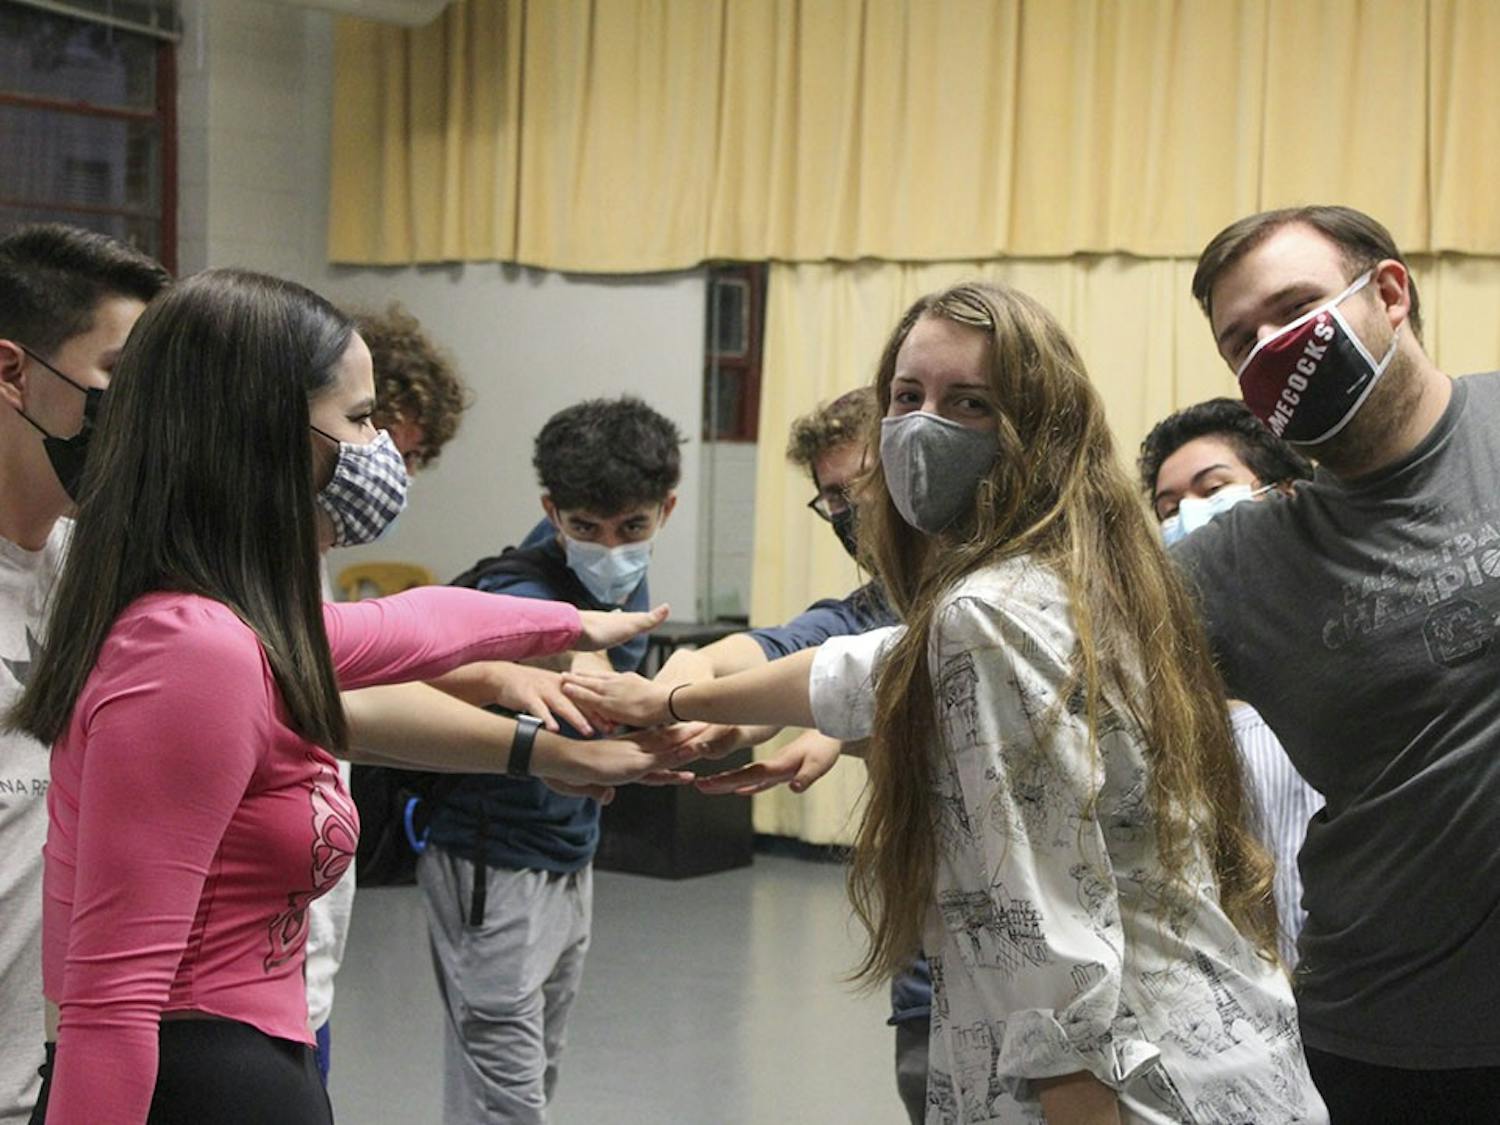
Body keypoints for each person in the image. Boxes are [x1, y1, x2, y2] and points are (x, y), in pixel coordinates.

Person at [565, 282, 1327, 1123]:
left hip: (1127, 1087)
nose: (922, 428)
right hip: (1228, 1059)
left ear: (1037, 431)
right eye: (906, 396)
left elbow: (1043, 942)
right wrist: (671, 698)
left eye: (968, 402)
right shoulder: (1083, 585)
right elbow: (856, 669)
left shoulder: (984, 613)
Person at [6, 269, 689, 1125]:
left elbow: (407, 626)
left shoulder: (234, 621)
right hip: (196, 1083)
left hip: (252, 1059)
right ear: (267, 431)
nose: (376, 447)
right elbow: (110, 1005)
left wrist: (576, 627)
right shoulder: (192, 647)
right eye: (360, 418)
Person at [1169, 205, 1500, 1122]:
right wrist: (781, 685)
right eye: (1241, 340)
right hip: (1394, 1046)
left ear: (1390, 293)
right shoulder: (1238, 562)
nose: (1272, 346)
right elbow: (1033, 638)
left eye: (1295, 306)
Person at [662, 387, 930, 1123]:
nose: (849, 513)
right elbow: (777, 655)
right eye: (832, 498)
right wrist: (692, 675)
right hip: (931, 971)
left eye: (862, 486)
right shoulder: (864, 609)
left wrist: (836, 729)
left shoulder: (1003, 585)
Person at [416, 396, 684, 1125]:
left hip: (570, 851)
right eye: (584, 528)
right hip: (490, 860)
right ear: (552, 511)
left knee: (535, 1072)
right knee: (502, 1097)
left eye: (631, 526)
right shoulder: (520, 585)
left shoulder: (628, 568)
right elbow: (559, 643)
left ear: (666, 507)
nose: (608, 547)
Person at [0, 224, 170, 1125]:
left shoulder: (91, 564)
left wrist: (523, 732)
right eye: (116, 384)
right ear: (12, 371)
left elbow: (291, 661)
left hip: (47, 1087)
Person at [303, 302, 473, 1082]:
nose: (386, 465)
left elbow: (393, 642)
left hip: (308, 963)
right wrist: (536, 747)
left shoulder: (307, 553)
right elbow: (338, 700)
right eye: (368, 425)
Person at [1137, 398, 1324, 966]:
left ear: (1284, 491)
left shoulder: (1349, 646)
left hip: (1366, 991)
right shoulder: (1164, 687)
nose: (1187, 517)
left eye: (1212, 488)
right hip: (1241, 1004)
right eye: (1168, 508)